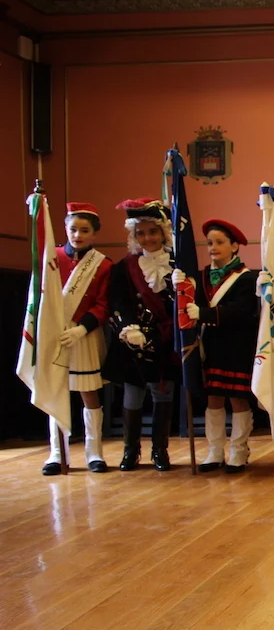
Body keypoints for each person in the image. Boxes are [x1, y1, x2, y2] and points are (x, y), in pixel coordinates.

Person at [173, 219, 259, 473]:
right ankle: (215, 450)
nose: (213, 247)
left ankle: (239, 450)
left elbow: (242, 312)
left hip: (236, 345)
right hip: (210, 345)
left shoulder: (246, 278)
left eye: (220, 242)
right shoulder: (200, 277)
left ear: (234, 246)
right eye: (210, 243)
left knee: (238, 398)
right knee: (213, 398)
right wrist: (179, 286)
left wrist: (204, 314)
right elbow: (188, 304)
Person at [102, 198, 179, 472]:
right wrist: (129, 327)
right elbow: (118, 301)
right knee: (133, 394)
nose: (147, 238)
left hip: (165, 339)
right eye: (141, 233)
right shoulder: (125, 267)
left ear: (163, 233)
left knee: (163, 392)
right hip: (133, 339)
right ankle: (131, 450)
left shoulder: (178, 264)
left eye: (153, 232)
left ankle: (160, 450)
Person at [41, 203, 113, 475]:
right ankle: (56, 453)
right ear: (65, 229)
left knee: (88, 391)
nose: (78, 235)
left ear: (94, 233)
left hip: (85, 333)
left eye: (84, 230)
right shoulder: (52, 257)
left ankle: (94, 452)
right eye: (73, 229)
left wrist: (82, 328)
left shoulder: (103, 264)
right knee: (55, 391)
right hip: (55, 332)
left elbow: (103, 304)